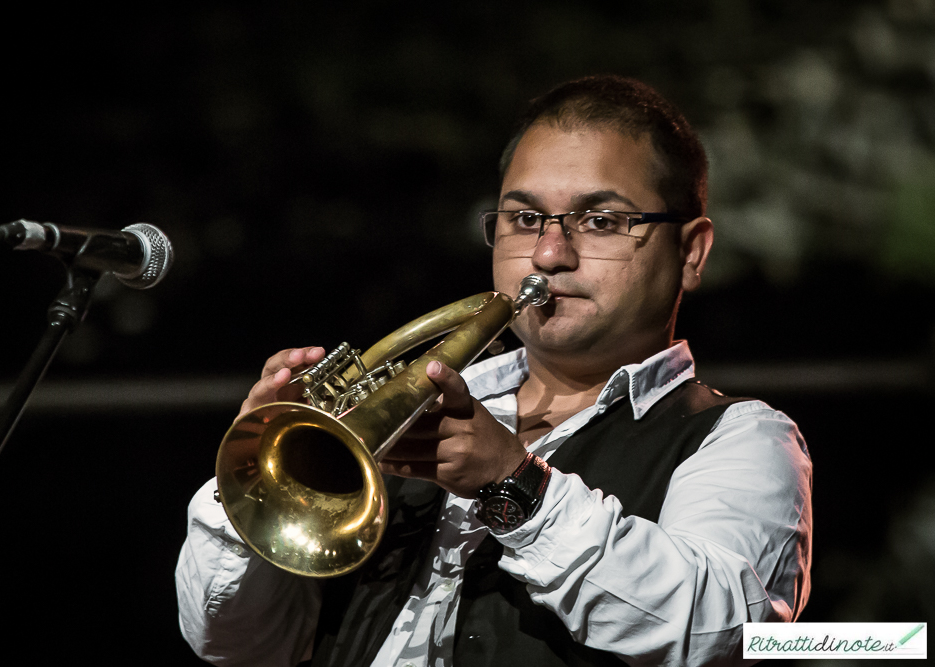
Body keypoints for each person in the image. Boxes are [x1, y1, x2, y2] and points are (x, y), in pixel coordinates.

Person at [176, 75, 812, 666]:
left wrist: (513, 486)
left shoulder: (743, 438)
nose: (548, 254)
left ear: (691, 252)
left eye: (601, 220)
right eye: (526, 218)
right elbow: (233, 645)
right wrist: (257, 481)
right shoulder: (409, 409)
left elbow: (721, 631)